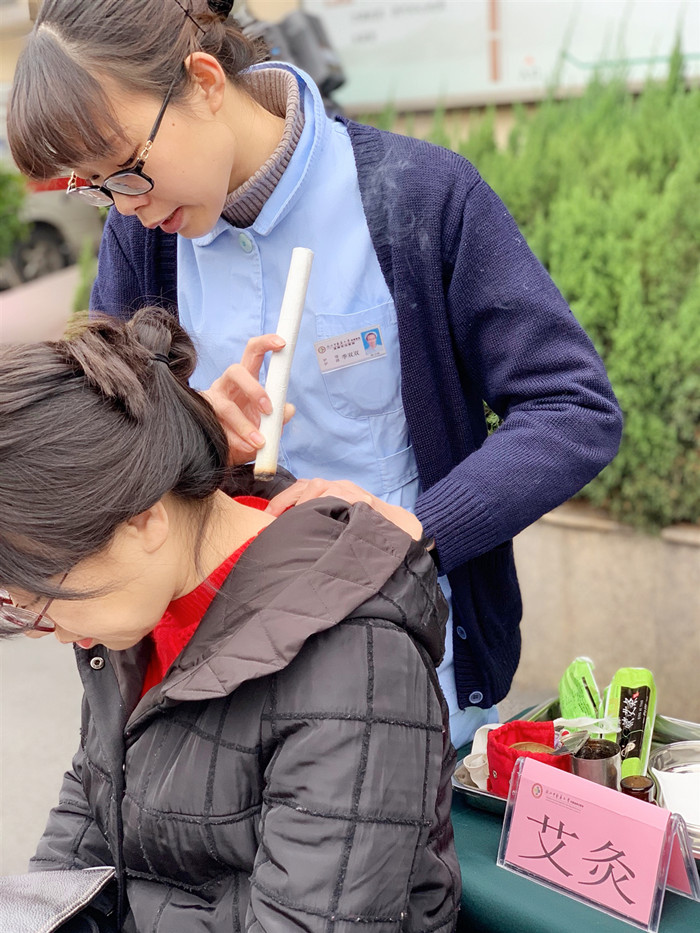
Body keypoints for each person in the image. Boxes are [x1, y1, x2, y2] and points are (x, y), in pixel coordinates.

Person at [8, 0, 623, 748]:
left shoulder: (419, 196)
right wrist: (193, 429)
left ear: (205, 81)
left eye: (129, 170)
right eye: (98, 186)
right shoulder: (145, 241)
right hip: (209, 694)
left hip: (406, 675)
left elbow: (572, 408)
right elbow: (112, 457)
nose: (127, 207)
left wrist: (422, 529)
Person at [0, 309, 460, 933]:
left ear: (143, 519)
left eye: (41, 593)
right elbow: (86, 819)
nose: (44, 626)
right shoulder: (135, 610)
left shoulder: (354, 659)